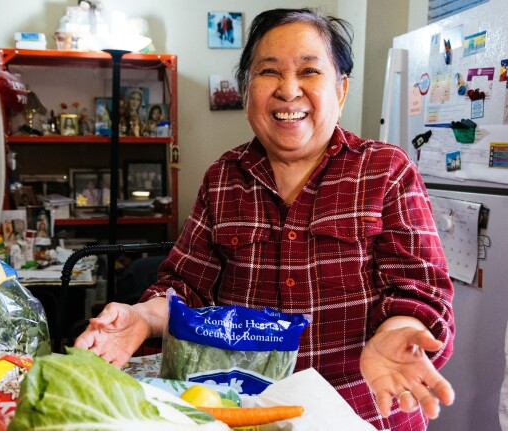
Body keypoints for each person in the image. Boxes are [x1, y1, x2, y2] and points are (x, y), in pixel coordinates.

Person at [75, 8, 455, 431]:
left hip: (364, 411)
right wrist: (142, 317)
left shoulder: (386, 170)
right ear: (245, 91)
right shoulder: (224, 177)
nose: (288, 90)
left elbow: (417, 286)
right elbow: (187, 288)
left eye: (309, 71)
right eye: (268, 72)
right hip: (244, 411)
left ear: (341, 90)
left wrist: (399, 330)